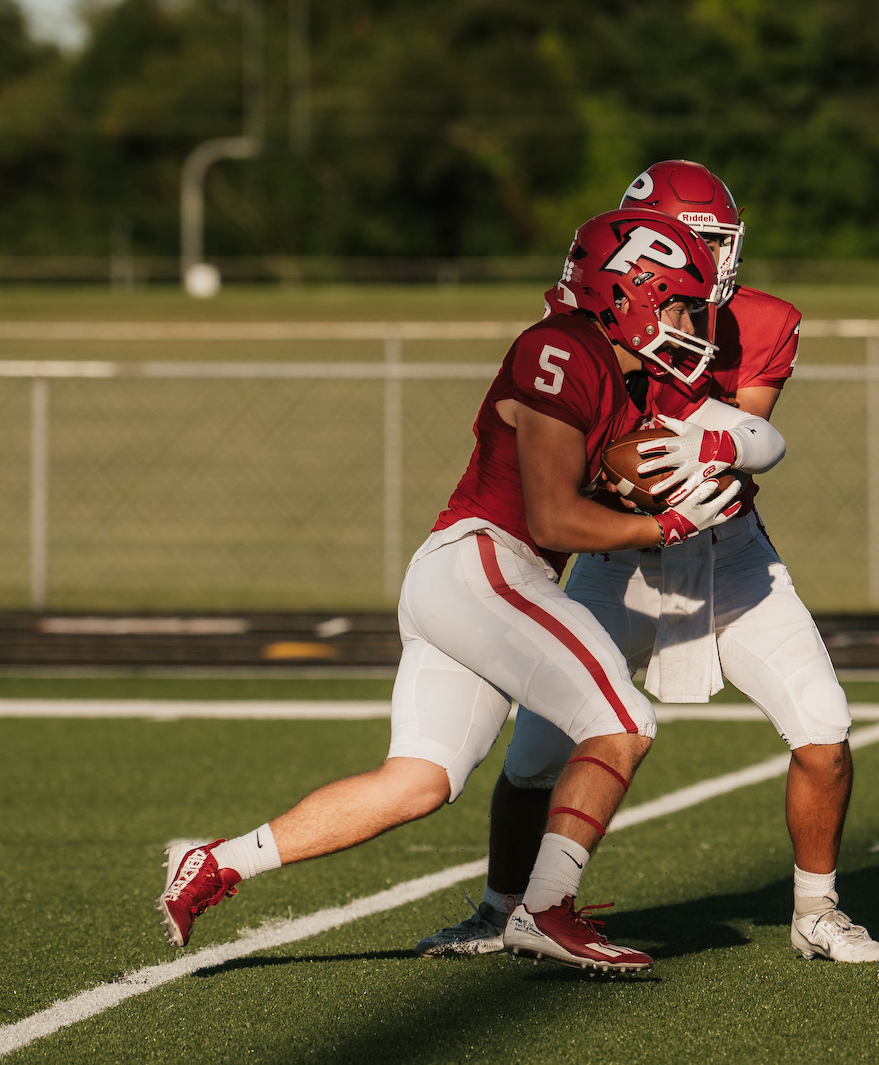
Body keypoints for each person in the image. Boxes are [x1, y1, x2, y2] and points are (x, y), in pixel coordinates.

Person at [158, 208, 783, 974]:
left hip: (466, 580)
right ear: (629, 295)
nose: (690, 325)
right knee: (623, 720)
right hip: (486, 562)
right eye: (679, 306)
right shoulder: (561, 349)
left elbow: (753, 440)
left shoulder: (613, 374)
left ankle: (217, 861)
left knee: (418, 782)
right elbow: (553, 516)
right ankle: (545, 907)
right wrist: (665, 526)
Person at [416, 160, 879, 964]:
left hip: (729, 551)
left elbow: (753, 436)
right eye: (688, 243)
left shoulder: (757, 321)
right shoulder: (581, 334)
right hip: (625, 553)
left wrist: (713, 442)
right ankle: (500, 908)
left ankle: (817, 908)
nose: (709, 262)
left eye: (715, 242)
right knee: (534, 755)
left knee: (823, 726)